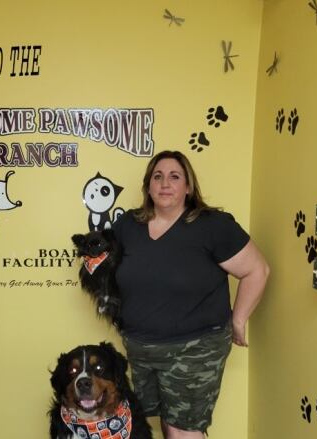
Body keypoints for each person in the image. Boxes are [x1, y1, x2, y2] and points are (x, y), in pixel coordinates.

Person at [112, 150, 269, 439]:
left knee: (184, 431)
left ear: (188, 187)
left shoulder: (213, 226)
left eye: (175, 177)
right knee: (165, 425)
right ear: (148, 186)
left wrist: (238, 320)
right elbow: (110, 274)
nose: (165, 184)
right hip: (141, 349)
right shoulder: (127, 226)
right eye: (157, 177)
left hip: (194, 348)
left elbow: (257, 270)